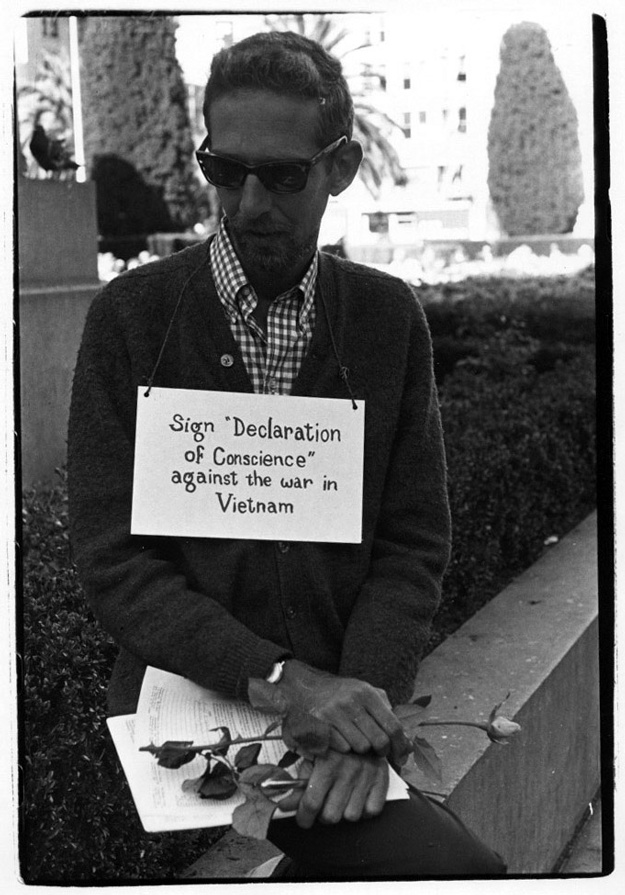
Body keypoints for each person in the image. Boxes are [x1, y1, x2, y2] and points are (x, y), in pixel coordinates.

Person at [68, 30, 506, 879]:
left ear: (339, 168)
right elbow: (113, 560)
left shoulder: (384, 319)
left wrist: (358, 711)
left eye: (282, 175)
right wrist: (279, 679)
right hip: (191, 707)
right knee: (448, 871)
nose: (247, 203)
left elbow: (411, 542)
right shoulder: (132, 316)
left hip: (339, 702)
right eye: (224, 169)